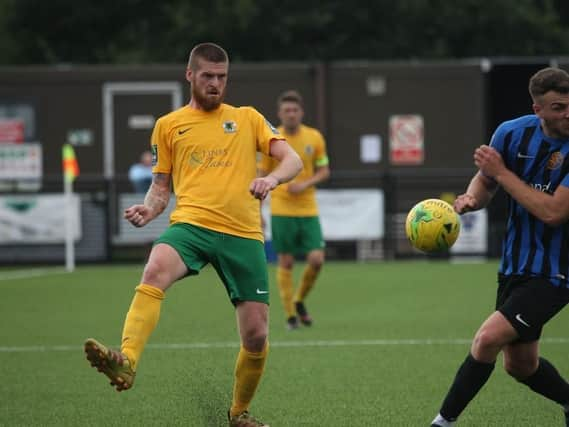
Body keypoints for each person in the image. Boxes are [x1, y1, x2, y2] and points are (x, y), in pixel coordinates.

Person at [84, 42, 302, 427]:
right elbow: (161, 186)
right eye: (208, 76)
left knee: (256, 335)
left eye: (222, 77)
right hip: (191, 226)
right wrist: (149, 209)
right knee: (153, 271)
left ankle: (238, 414)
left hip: (243, 234)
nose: (216, 84)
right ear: (190, 75)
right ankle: (127, 362)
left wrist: (270, 177)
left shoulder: (248, 118)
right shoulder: (168, 125)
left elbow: (293, 160)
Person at [431, 67, 569, 427]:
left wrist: (503, 173)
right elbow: (485, 180)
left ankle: (441, 423)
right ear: (537, 109)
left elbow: (553, 212)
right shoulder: (511, 133)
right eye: (558, 107)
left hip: (556, 270)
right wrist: (470, 200)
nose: (568, 113)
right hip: (514, 267)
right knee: (521, 366)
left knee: (486, 339)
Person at [258, 90, 330, 330]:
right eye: (286, 110)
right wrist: (257, 211)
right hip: (281, 209)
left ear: (301, 113)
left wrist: (305, 184)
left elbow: (324, 170)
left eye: (295, 110)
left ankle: (299, 299)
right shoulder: (272, 139)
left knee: (317, 259)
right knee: (286, 262)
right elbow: (262, 175)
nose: (291, 114)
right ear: (279, 114)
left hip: (308, 208)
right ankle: (290, 315)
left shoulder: (314, 138)